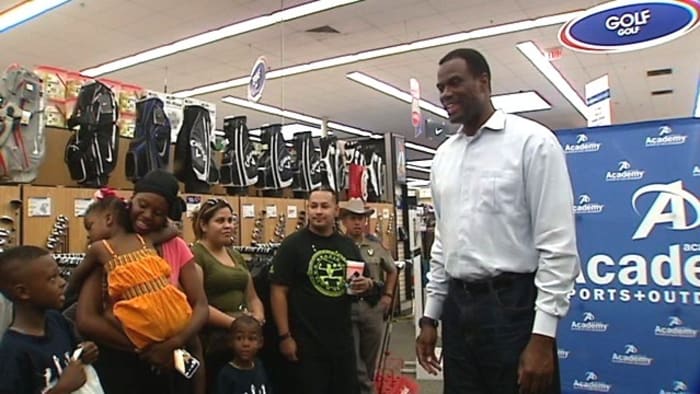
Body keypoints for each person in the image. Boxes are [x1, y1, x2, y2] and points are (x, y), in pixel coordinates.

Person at [415, 48, 580, 394]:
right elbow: (445, 241)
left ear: (484, 82)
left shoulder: (533, 143)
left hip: (512, 308)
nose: (445, 93)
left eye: (455, 83)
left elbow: (558, 247)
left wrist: (543, 338)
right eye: (440, 87)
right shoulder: (443, 157)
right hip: (458, 312)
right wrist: (430, 316)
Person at [76, 170, 208, 394]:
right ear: (130, 202)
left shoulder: (175, 247)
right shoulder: (109, 251)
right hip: (122, 366)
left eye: (158, 212)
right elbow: (87, 319)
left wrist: (173, 344)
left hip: (173, 363)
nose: (147, 215)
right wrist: (148, 348)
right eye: (142, 205)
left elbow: (201, 306)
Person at [270, 186, 374, 394]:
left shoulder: (348, 246)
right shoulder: (292, 246)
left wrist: (368, 285)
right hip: (306, 344)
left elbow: (366, 280)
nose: (318, 211)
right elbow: (278, 291)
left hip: (342, 343)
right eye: (313, 206)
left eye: (325, 206)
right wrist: (284, 336)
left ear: (336, 210)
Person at [71, 189, 194, 351]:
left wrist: (66, 292)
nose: (89, 235)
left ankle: (142, 347)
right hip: (175, 312)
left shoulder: (100, 249)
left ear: (109, 219)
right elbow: (171, 231)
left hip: (143, 324)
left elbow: (78, 275)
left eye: (90, 227)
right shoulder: (143, 240)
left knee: (109, 314)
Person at [0, 246, 100, 394]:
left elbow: (77, 348)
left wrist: (86, 352)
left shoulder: (57, 321)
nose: (62, 283)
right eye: (52, 279)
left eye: (60, 275)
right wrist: (62, 389)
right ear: (23, 292)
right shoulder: (13, 351)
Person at [190, 198, 265, 391]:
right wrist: (236, 324)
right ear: (204, 225)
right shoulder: (196, 255)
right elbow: (197, 303)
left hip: (244, 341)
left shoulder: (236, 255)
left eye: (231, 221)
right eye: (220, 221)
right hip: (216, 342)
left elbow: (252, 296)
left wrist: (257, 318)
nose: (228, 226)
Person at [340, 198, 398, 394]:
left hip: (372, 307)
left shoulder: (375, 245)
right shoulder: (337, 244)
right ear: (344, 221)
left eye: (361, 218)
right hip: (346, 307)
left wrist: (388, 296)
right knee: (354, 362)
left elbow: (392, 270)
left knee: (369, 360)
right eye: (353, 218)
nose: (357, 222)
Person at [215, 315, 271, 394]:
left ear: (260, 342)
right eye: (239, 338)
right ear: (230, 341)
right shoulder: (226, 374)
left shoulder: (259, 366)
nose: (245, 344)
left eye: (251, 339)